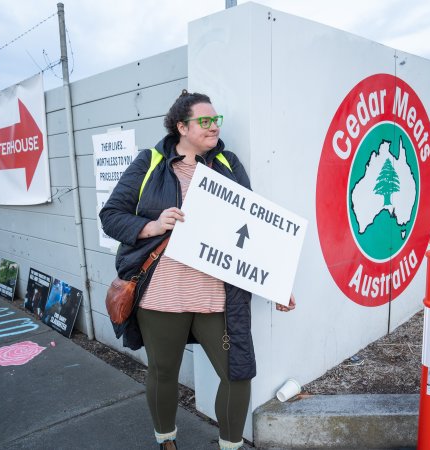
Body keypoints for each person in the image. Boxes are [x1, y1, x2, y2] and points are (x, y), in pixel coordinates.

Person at [100, 90, 295, 450]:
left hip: (217, 295)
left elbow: (253, 228)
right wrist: (153, 225)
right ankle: (166, 439)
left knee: (238, 374)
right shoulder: (150, 162)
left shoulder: (228, 163)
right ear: (181, 126)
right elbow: (111, 216)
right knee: (163, 371)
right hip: (162, 293)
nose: (213, 126)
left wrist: (278, 282)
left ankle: (230, 445)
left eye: (215, 120)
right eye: (204, 121)